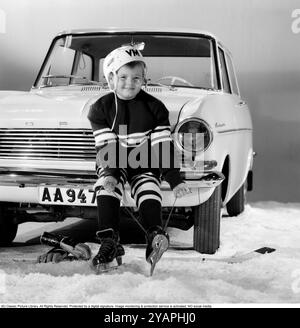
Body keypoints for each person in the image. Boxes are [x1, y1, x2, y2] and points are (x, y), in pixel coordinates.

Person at [87, 44, 190, 271]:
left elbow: (162, 145)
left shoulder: (154, 107)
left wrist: (174, 179)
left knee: (148, 188)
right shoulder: (100, 108)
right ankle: (109, 242)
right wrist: (112, 175)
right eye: (123, 77)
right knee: (106, 187)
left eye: (136, 78)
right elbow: (106, 145)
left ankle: (154, 235)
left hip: (144, 160)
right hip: (113, 158)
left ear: (144, 79)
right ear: (111, 78)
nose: (129, 83)